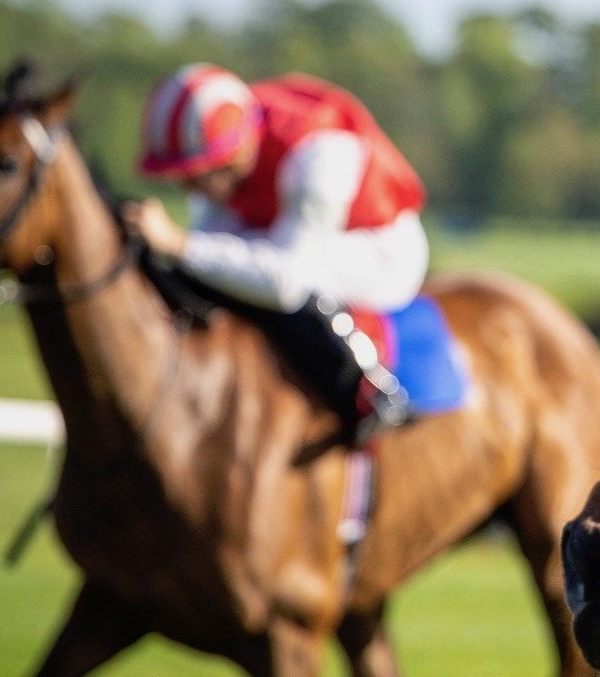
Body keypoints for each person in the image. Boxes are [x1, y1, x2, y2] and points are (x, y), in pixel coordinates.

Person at [126, 64, 426, 443]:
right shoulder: (231, 130)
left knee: (283, 283)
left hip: (380, 249)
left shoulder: (317, 154)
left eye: (195, 176)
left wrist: (176, 242)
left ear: (234, 155)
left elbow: (285, 281)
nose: (188, 191)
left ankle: (372, 390)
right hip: (287, 227)